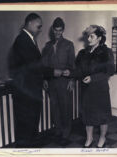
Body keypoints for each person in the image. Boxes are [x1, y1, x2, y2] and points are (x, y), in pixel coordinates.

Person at [10, 13, 62, 148]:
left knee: (32, 122)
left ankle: (32, 146)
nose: (40, 29)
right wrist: (53, 72)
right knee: (26, 125)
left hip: (31, 90)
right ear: (30, 23)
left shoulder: (29, 39)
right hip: (25, 92)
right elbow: (34, 66)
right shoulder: (22, 40)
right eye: (39, 26)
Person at [63, 25, 115, 148]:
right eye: (88, 36)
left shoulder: (106, 52)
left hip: (100, 89)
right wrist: (71, 73)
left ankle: (102, 137)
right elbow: (79, 71)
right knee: (87, 115)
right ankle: (89, 137)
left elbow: (110, 71)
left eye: (92, 36)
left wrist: (93, 78)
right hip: (86, 90)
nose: (89, 39)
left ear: (99, 38)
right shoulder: (83, 53)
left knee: (103, 116)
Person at [41, 17, 75, 145]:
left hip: (64, 81)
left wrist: (71, 80)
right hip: (51, 81)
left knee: (65, 107)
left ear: (63, 30)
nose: (57, 33)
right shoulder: (47, 46)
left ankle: (66, 132)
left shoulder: (68, 45)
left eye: (60, 31)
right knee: (54, 107)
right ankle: (58, 131)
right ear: (52, 30)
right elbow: (44, 65)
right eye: (55, 31)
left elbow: (72, 65)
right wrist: (45, 79)